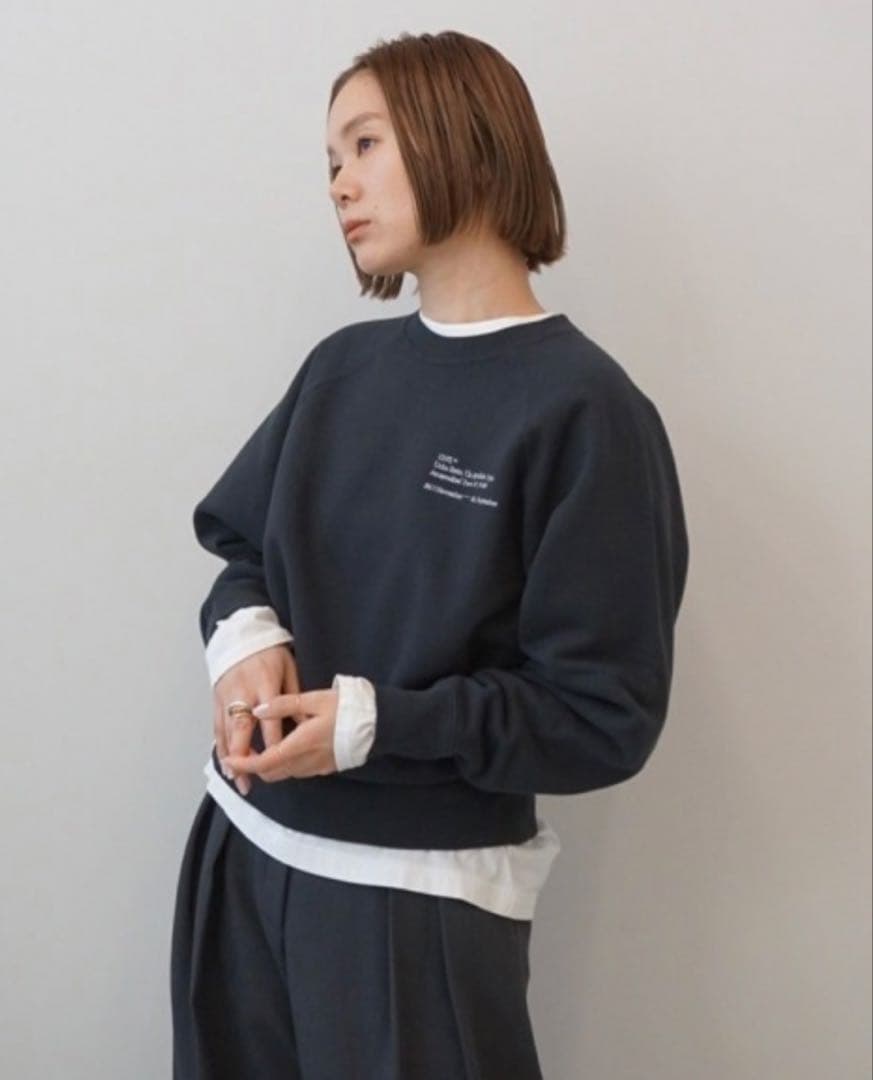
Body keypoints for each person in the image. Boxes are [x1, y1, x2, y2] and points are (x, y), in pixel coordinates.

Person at [170, 28, 689, 1080]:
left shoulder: (585, 412)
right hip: (241, 852)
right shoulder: (341, 370)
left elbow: (602, 716)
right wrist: (246, 642)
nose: (338, 184)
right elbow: (242, 550)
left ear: (468, 139)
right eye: (330, 160)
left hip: (414, 905)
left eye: (364, 145)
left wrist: (378, 725)